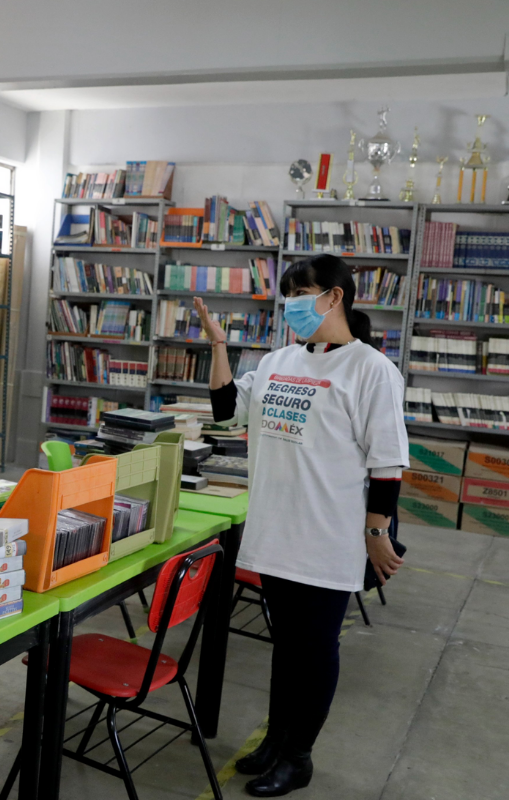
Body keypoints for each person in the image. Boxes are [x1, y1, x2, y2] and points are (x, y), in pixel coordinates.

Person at [195, 253, 409, 797]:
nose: (290, 304)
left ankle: (298, 756)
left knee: (313, 653)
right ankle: (275, 740)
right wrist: (219, 346)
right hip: (275, 534)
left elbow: (386, 465)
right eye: (287, 294)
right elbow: (226, 412)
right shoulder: (277, 361)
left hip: (327, 540)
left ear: (334, 297)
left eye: (300, 292)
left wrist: (377, 534)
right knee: (286, 647)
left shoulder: (371, 370)